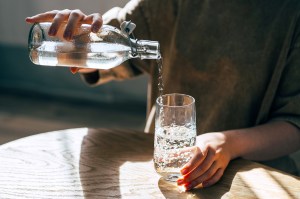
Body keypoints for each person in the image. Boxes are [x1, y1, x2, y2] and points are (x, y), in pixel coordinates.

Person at [26, 0, 300, 191]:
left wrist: (228, 143)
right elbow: (104, 51)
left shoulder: (291, 14)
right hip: (162, 170)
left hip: (254, 173)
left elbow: (294, 123)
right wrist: (73, 39)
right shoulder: (170, 3)